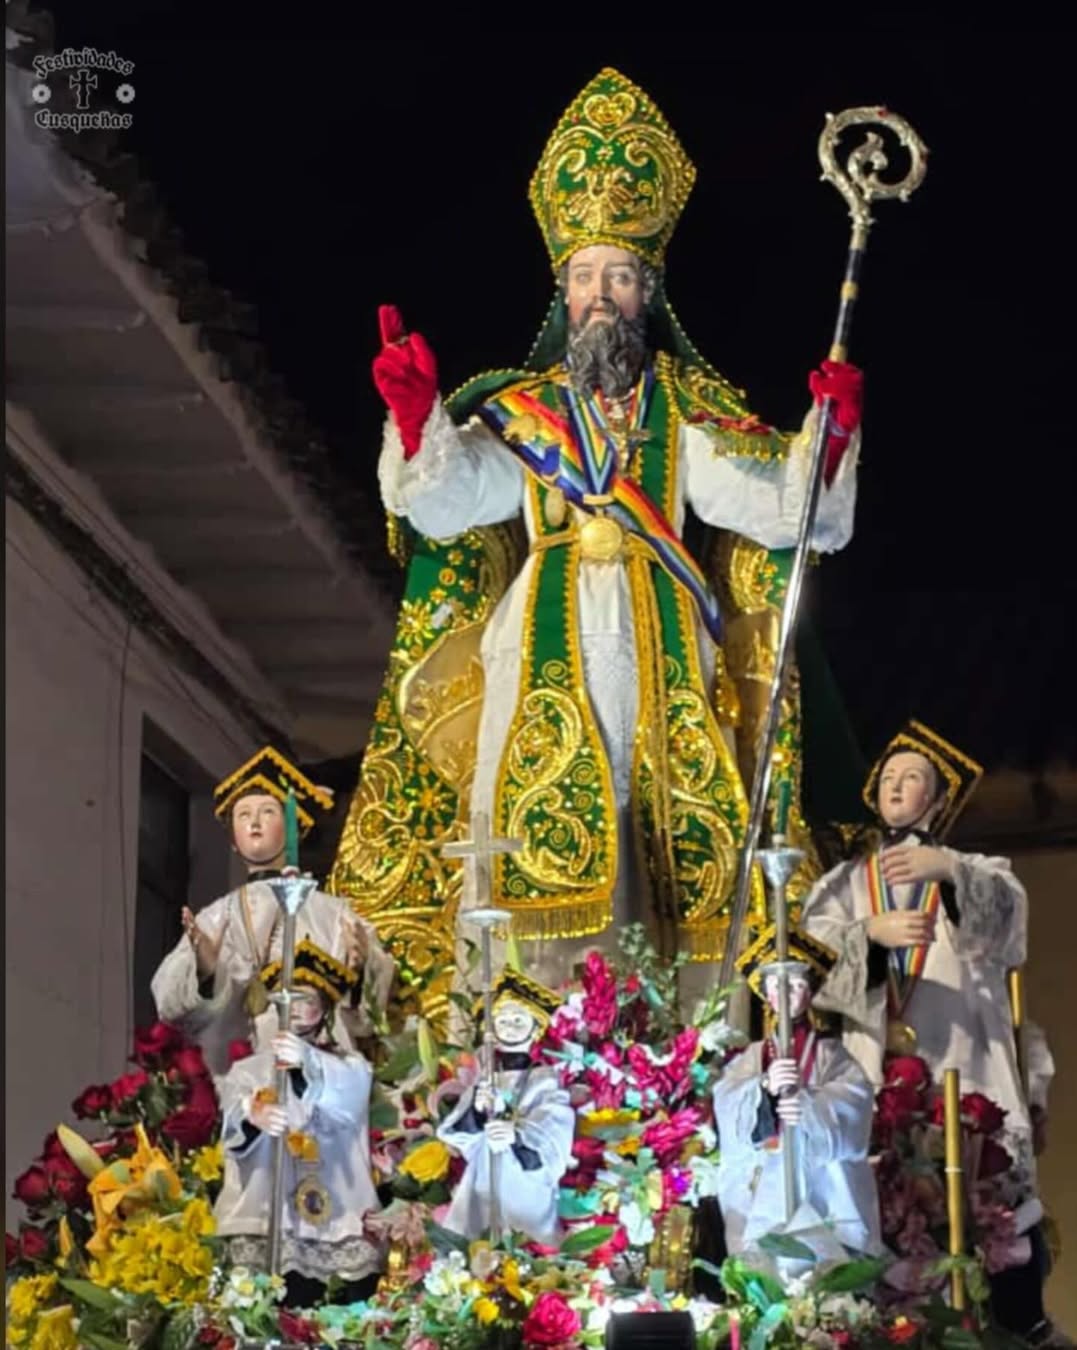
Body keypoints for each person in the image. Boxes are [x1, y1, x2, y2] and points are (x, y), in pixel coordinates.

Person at [333, 66, 866, 991]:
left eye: (620, 275)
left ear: (648, 292)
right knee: (528, 822)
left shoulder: (689, 419)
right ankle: (519, 1031)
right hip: (543, 640)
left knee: (662, 829)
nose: (602, 293)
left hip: (665, 650)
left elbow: (787, 518)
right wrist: (419, 421)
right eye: (585, 276)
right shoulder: (519, 414)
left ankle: (674, 1049)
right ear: (563, 294)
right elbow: (450, 504)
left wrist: (832, 435)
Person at [801, 720, 1062, 1343]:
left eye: (912, 776)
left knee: (985, 1206)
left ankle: (1002, 1320)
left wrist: (947, 869)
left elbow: (1005, 933)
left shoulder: (980, 869)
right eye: (888, 776)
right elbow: (808, 966)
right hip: (870, 1069)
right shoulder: (841, 885)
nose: (896, 785)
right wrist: (868, 936)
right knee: (879, 1209)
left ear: (940, 798)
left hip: (962, 1058)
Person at [151, 746, 394, 1076]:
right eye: (243, 815)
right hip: (239, 1069)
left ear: (296, 827)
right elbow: (168, 1003)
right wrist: (205, 972)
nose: (254, 822)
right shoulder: (217, 916)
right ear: (233, 841)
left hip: (316, 1068)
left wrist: (361, 969)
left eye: (267, 812)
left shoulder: (333, 914)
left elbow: (369, 1016)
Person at [214, 939, 383, 1304]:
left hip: (336, 1212)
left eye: (307, 1000)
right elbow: (231, 1118)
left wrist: (305, 1058)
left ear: (324, 1009)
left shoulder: (350, 1067)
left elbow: (348, 1100)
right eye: (287, 999)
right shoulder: (249, 1071)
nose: (296, 1008)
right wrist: (251, 1113)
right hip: (265, 1211)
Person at [713, 923, 881, 1263]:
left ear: (809, 993)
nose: (787, 993)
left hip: (823, 1184)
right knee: (765, 1265)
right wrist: (764, 1091)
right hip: (764, 1182)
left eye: (797, 984)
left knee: (825, 1265)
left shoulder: (832, 1055)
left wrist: (808, 1106)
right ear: (768, 995)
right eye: (778, 986)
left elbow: (855, 1103)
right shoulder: (753, 1057)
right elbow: (727, 1104)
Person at [437, 970, 574, 1245]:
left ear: (536, 1029)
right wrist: (476, 1110)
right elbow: (456, 1134)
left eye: (518, 1020)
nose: (509, 1026)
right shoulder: (486, 1079)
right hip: (485, 1178)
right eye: (502, 1021)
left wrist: (517, 1137)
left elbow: (554, 1139)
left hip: (526, 1186)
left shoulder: (545, 1080)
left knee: (525, 1245)